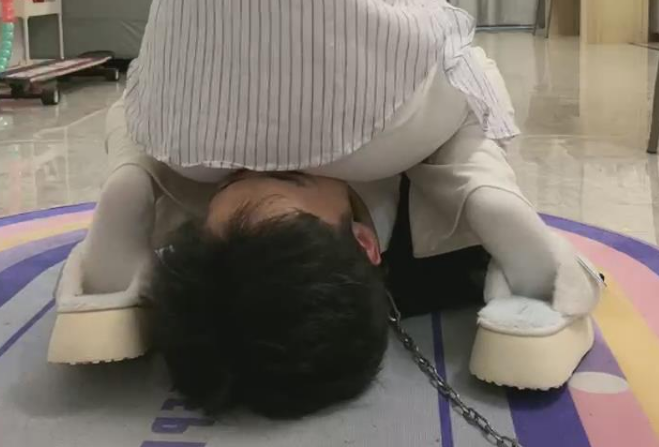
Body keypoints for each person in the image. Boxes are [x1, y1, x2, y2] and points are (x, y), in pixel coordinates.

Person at [50, 0, 602, 417]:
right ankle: (127, 202)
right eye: (289, 174)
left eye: (234, 177)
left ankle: (124, 207)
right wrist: (489, 198)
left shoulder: (201, 184)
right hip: (217, 76)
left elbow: (472, 84)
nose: (259, 157)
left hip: (369, 104)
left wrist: (486, 197)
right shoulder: (193, 161)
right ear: (364, 243)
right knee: (160, 131)